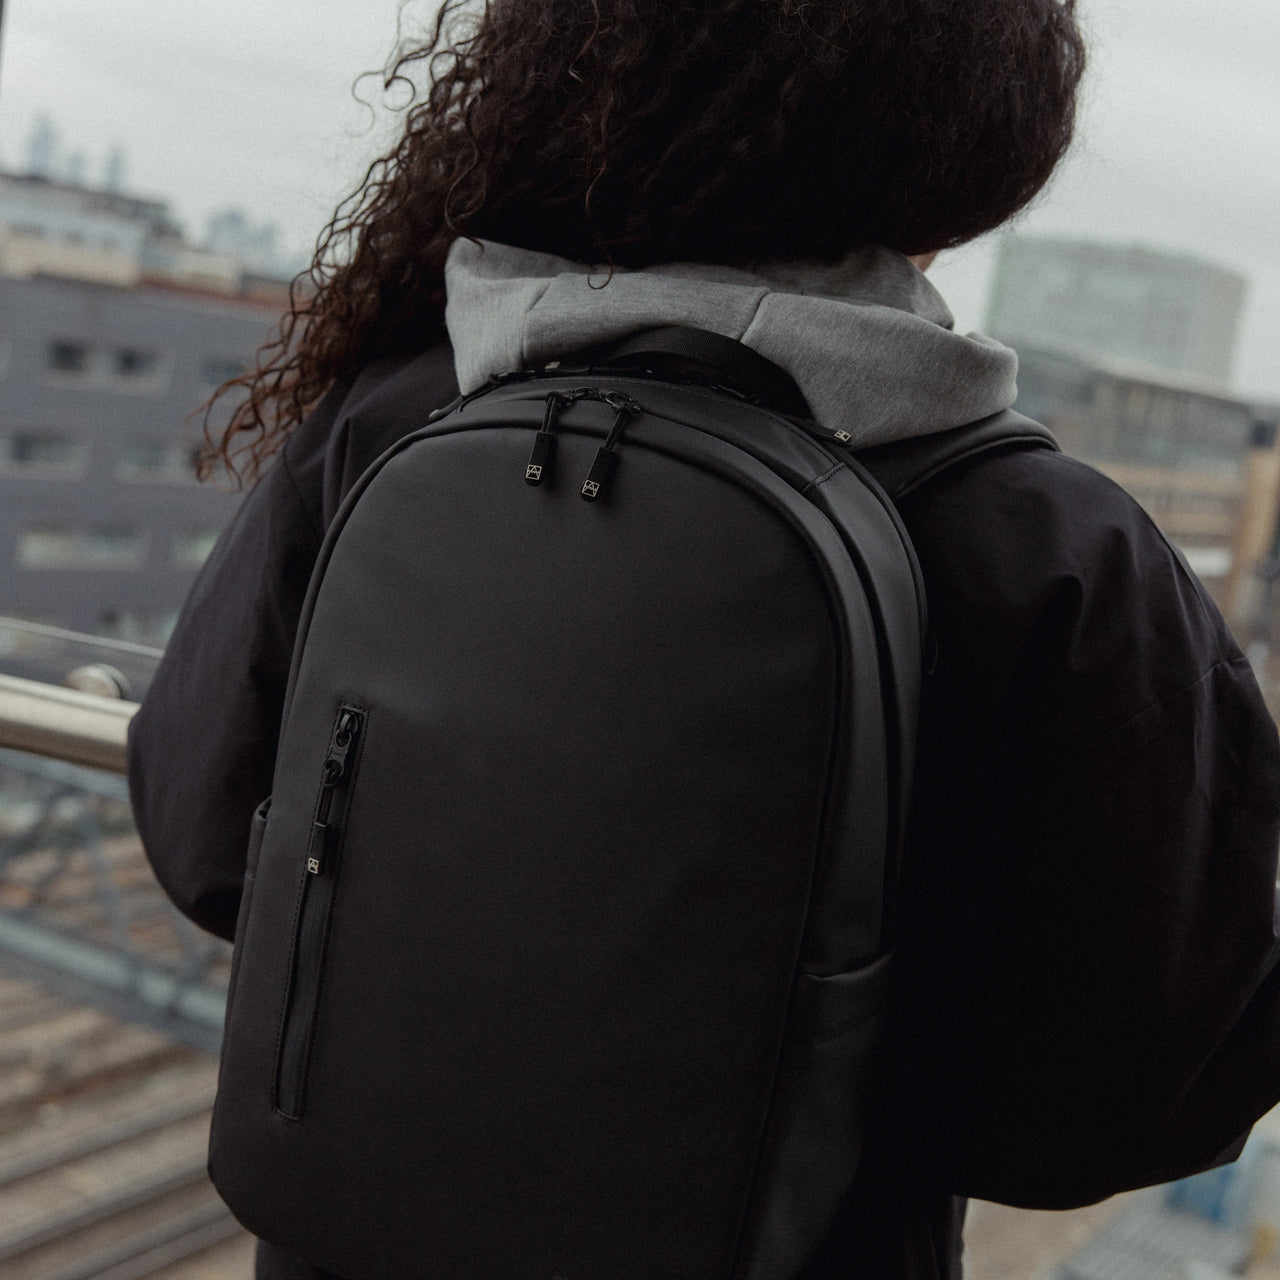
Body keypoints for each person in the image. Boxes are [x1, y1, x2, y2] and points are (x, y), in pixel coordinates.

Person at [127, 1, 1280, 1277]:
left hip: (358, 1237)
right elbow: (1147, 1079)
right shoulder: (1055, 547)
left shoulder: (394, 413)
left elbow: (201, 829)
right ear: (973, 172)